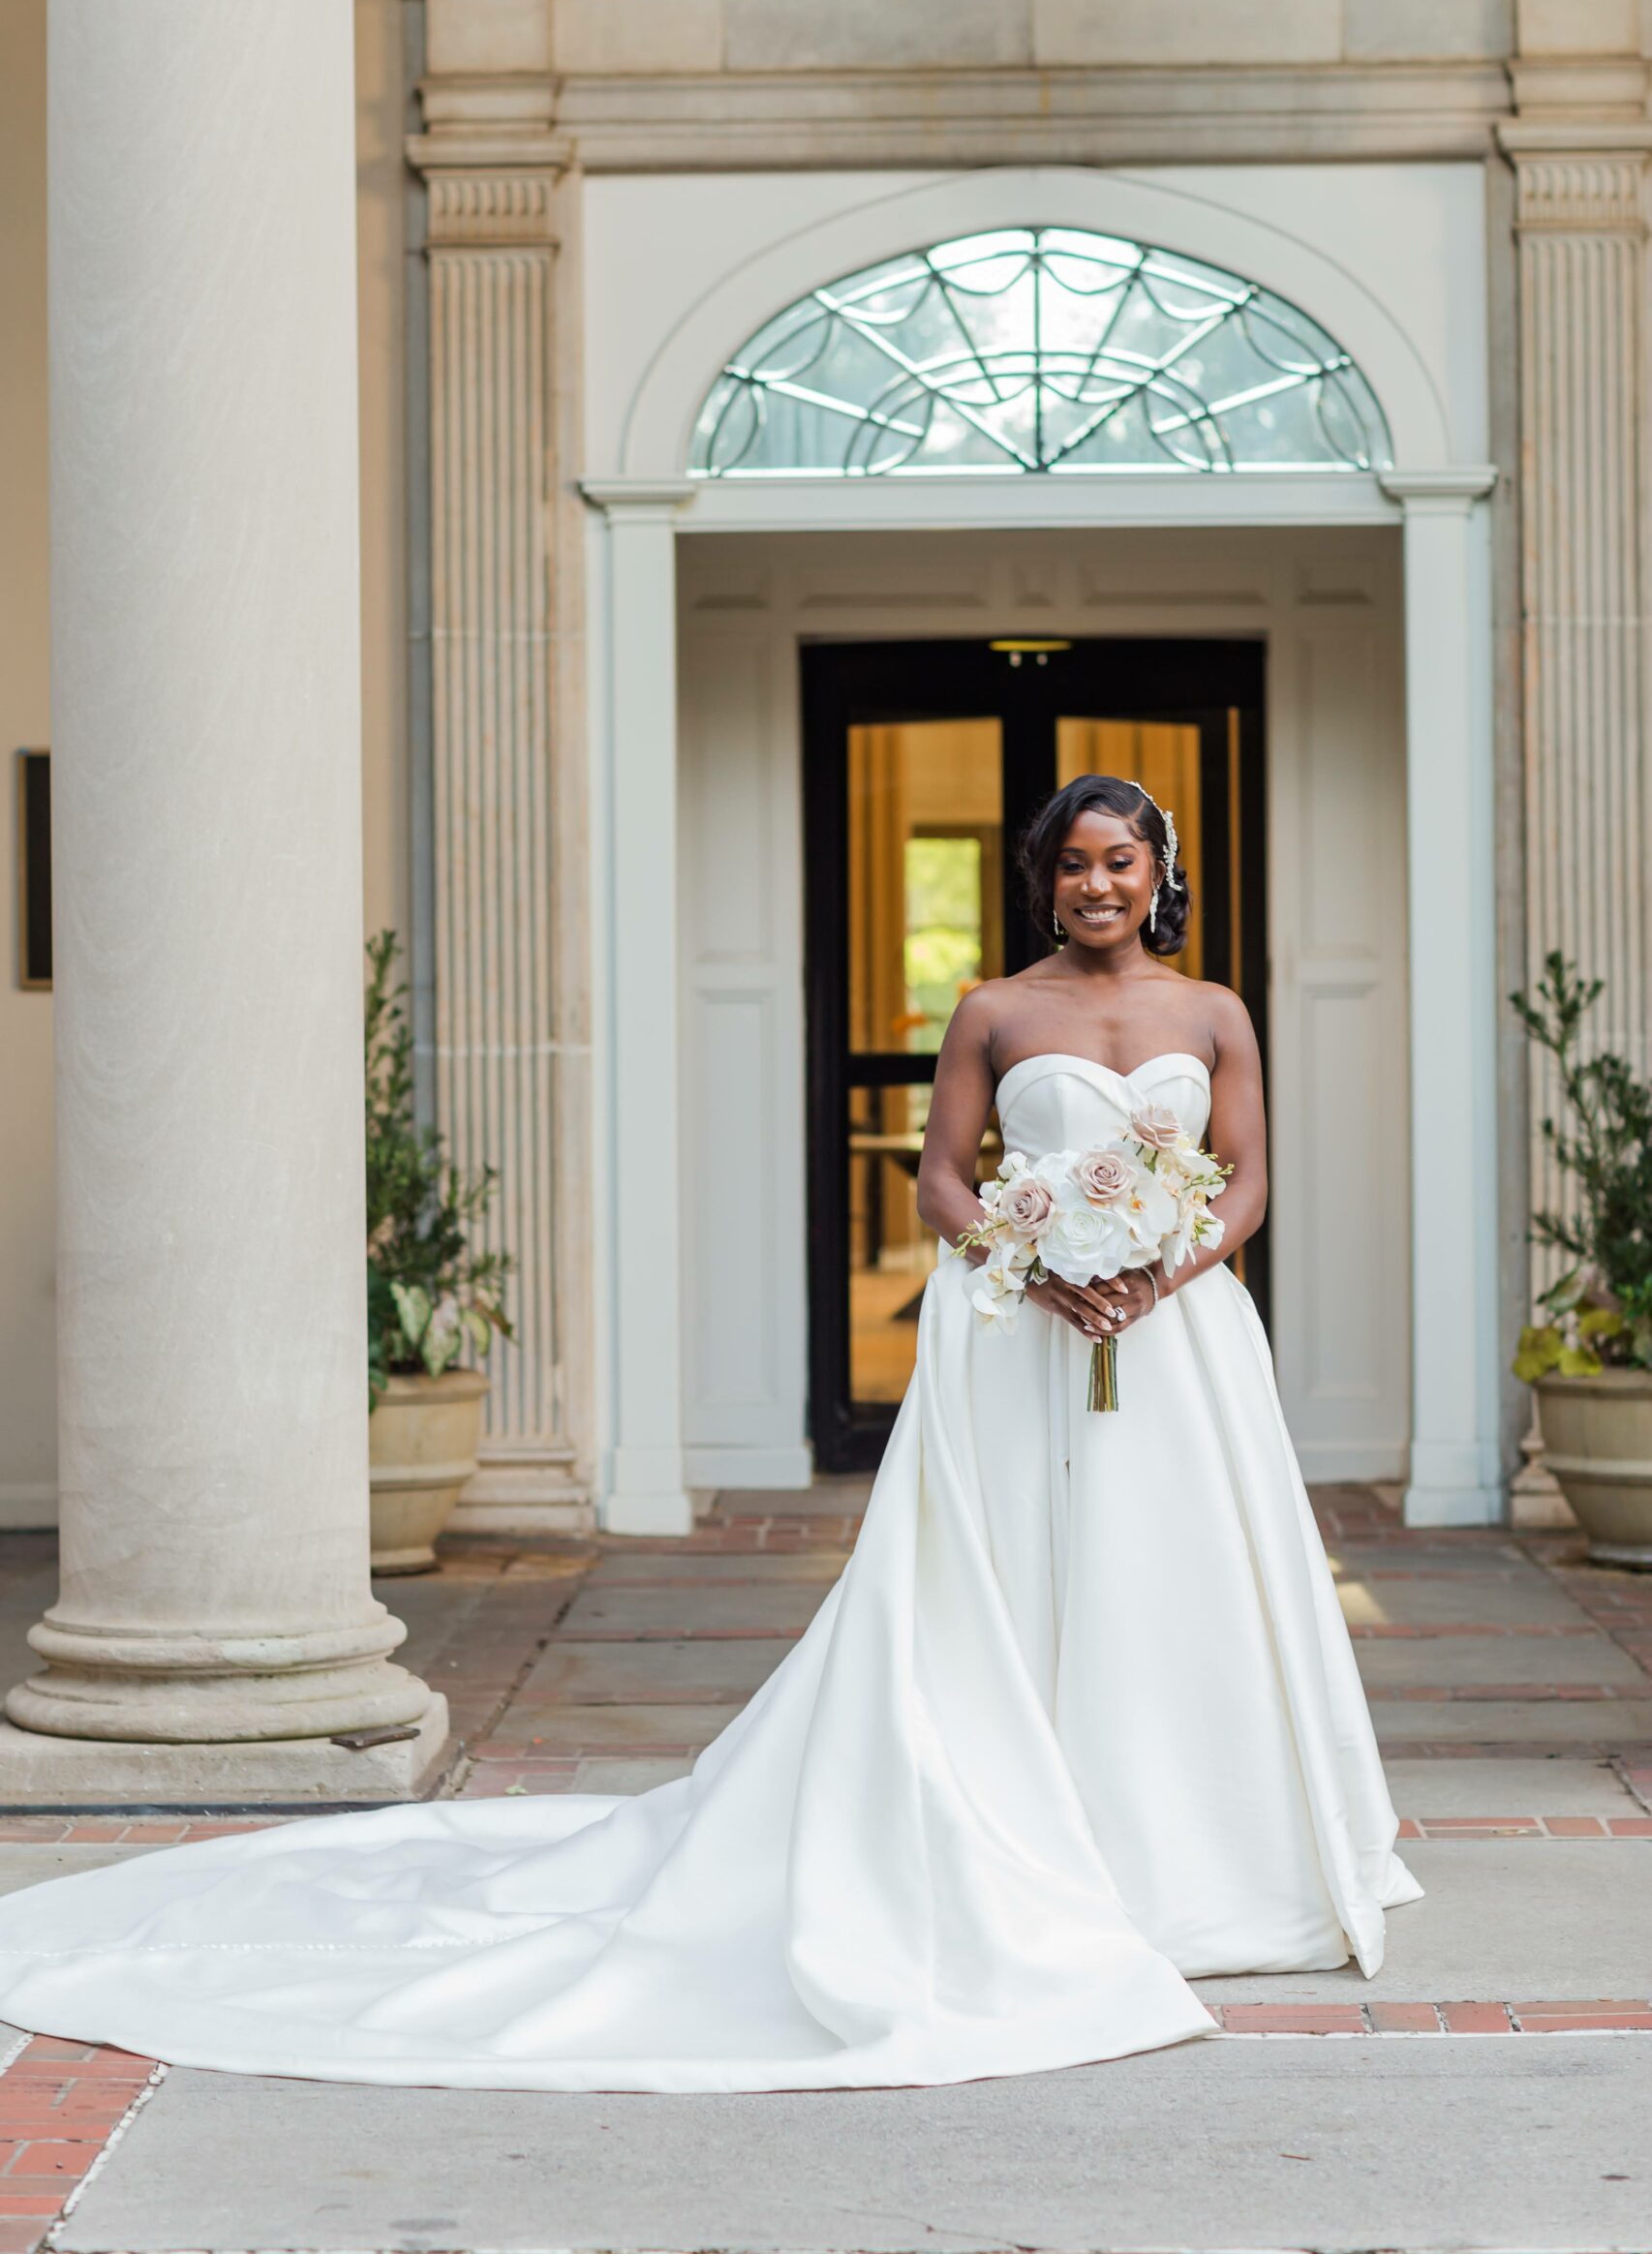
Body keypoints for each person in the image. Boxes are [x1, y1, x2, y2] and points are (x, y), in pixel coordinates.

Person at [0, 775, 1417, 2091]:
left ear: (1160, 872)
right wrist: (1039, 1266)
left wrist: (1158, 1274)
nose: (1095, 885)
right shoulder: (992, 1008)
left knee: (1173, 1577)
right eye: (1070, 866)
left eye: (1119, 863)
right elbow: (939, 1178)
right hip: (1021, 1335)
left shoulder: (1217, 1010)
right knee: (1019, 1577)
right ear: (1040, 883)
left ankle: (1206, 1854)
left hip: (1174, 1340)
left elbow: (1244, 1182)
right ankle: (1022, 1836)